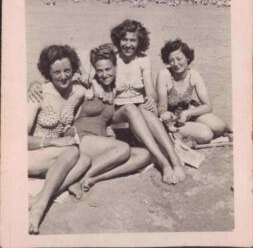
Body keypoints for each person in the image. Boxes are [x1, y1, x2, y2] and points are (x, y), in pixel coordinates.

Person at [79, 20, 185, 185]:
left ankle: (174, 159)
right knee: (130, 108)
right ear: (118, 40)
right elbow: (90, 56)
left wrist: (151, 98)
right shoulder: (112, 58)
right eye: (124, 40)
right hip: (118, 111)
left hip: (141, 108)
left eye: (132, 40)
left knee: (145, 107)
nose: (128, 44)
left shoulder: (143, 60)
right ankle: (163, 163)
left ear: (139, 41)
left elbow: (150, 90)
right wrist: (87, 75)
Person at [69, 43, 151, 195]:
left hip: (101, 144)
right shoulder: (85, 85)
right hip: (83, 139)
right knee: (123, 148)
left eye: (108, 69)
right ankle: (80, 178)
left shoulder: (115, 89)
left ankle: (96, 177)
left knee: (144, 155)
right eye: (99, 70)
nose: (104, 74)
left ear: (115, 68)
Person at [28, 45, 91, 234]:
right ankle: (40, 208)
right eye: (57, 72)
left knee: (86, 159)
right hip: (31, 154)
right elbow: (17, 140)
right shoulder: (39, 94)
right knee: (73, 152)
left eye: (67, 71)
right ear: (48, 72)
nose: (63, 76)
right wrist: (52, 142)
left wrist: (69, 133)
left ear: (74, 70)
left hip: (56, 156)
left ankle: (38, 198)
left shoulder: (78, 93)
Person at [156, 39, 230, 144]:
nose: (176, 64)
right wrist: (165, 114)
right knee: (206, 134)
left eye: (179, 59)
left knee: (219, 126)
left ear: (188, 58)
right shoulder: (164, 75)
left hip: (188, 114)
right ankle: (181, 137)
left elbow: (208, 106)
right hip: (172, 122)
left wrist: (188, 113)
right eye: (171, 60)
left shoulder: (194, 74)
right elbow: (161, 108)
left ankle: (228, 132)